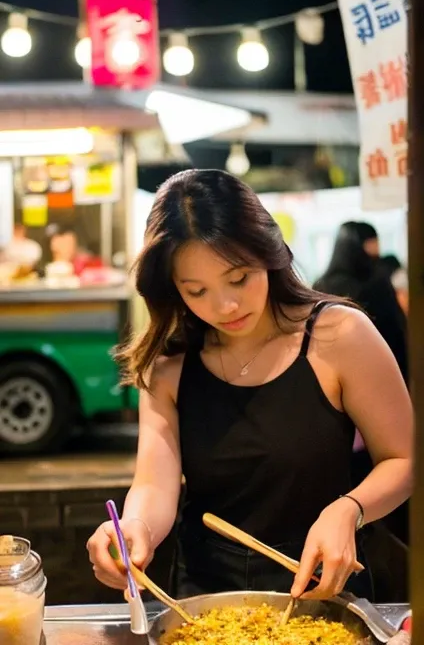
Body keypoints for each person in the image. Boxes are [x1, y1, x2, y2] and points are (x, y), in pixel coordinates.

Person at [87, 170, 412, 602]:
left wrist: (349, 509)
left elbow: (405, 458)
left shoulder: (339, 335)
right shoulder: (170, 365)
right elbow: (154, 484)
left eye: (238, 278)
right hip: (203, 597)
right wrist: (134, 530)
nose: (225, 306)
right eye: (197, 291)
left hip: (322, 585)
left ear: (269, 252)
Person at [314, 222, 408, 383]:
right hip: (380, 371)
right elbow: (395, 329)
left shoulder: (321, 285)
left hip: (333, 375)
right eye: (372, 242)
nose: (377, 248)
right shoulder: (376, 282)